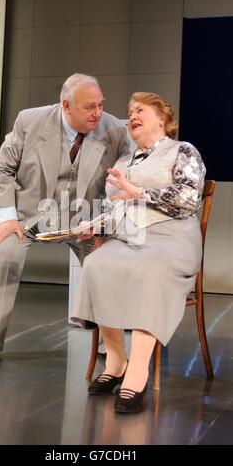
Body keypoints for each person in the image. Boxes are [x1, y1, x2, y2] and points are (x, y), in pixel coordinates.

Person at [0, 73, 130, 364]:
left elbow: (126, 170)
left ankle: (112, 346)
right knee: (5, 256)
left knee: (106, 265)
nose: (98, 113)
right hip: (29, 217)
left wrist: (105, 216)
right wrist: (7, 218)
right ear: (66, 106)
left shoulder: (113, 129)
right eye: (89, 107)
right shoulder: (30, 122)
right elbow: (1, 169)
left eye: (100, 105)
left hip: (84, 221)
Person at [71, 92, 206, 414]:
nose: (132, 115)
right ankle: (116, 360)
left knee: (150, 268)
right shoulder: (123, 163)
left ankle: (137, 371)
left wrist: (139, 192)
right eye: (129, 111)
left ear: (162, 119)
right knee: (97, 263)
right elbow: (114, 209)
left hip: (171, 239)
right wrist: (96, 225)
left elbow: (190, 198)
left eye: (140, 110)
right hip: (130, 237)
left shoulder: (182, 151)